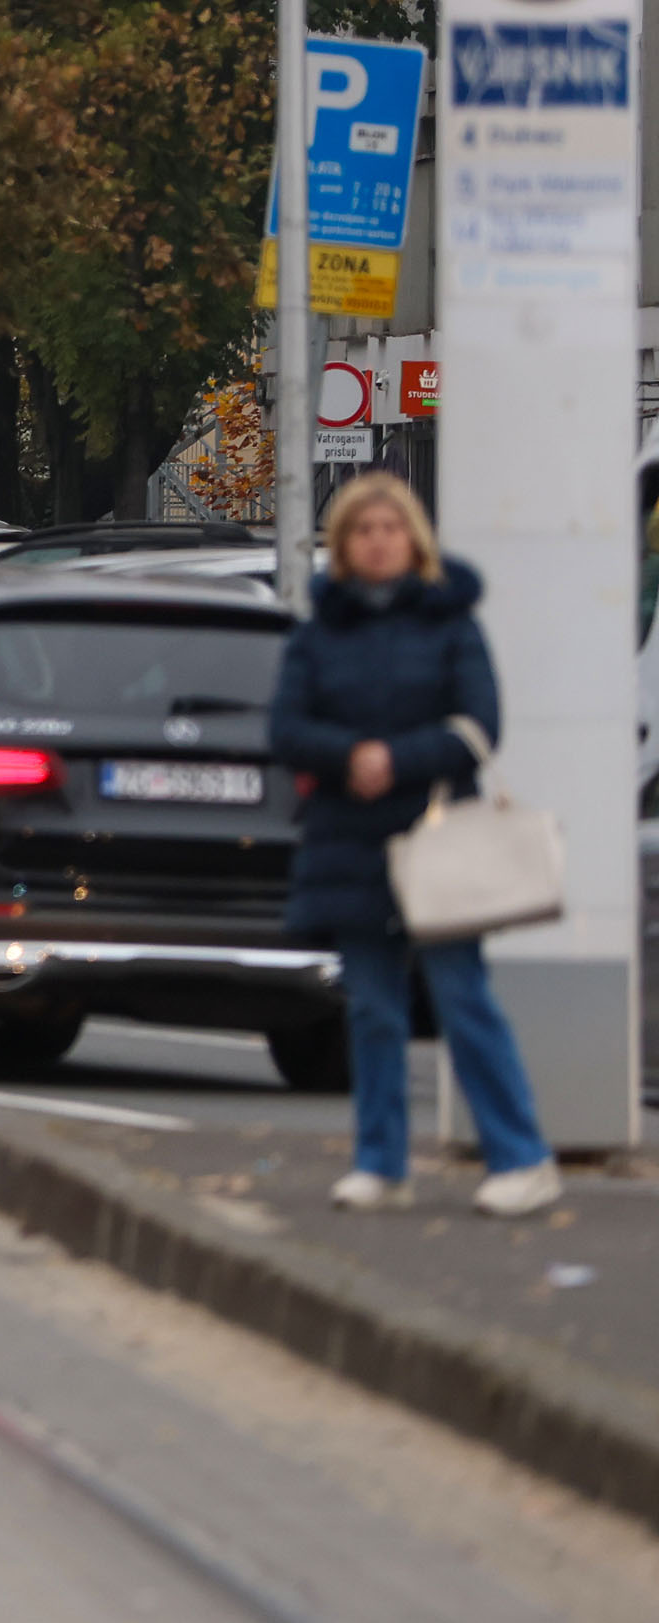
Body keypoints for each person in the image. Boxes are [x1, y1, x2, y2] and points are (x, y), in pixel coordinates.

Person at [266, 472, 562, 1217]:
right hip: (349, 841)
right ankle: (381, 1161)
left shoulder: (452, 623)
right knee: (370, 1008)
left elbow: (479, 723)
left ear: (414, 539)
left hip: (437, 843)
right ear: (344, 544)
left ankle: (522, 1156)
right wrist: (349, 756)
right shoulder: (319, 631)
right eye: (362, 529)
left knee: (463, 1000)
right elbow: (285, 727)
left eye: (389, 528)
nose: (377, 540)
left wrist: (397, 758)